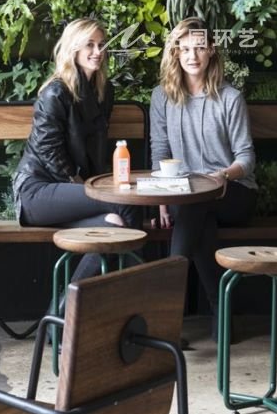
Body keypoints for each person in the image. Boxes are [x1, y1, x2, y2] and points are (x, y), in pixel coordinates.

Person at [150, 17, 257, 339]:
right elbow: (160, 148)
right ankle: (222, 312)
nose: (192, 56)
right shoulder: (162, 96)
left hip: (234, 192)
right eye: (184, 49)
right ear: (175, 54)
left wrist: (222, 176)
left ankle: (163, 319)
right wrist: (162, 201)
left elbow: (247, 159)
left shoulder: (230, 98)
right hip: (186, 196)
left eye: (199, 48)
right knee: (198, 218)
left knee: (196, 207)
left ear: (211, 51)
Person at [13, 17, 141, 281]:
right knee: (125, 208)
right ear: (74, 49)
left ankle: (62, 317)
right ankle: (137, 293)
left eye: (102, 45)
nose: (98, 52)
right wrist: (83, 185)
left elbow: (97, 146)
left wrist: (93, 186)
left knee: (114, 226)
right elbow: (49, 151)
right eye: (90, 45)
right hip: (38, 192)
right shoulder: (55, 92)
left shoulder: (104, 91)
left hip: (76, 195)